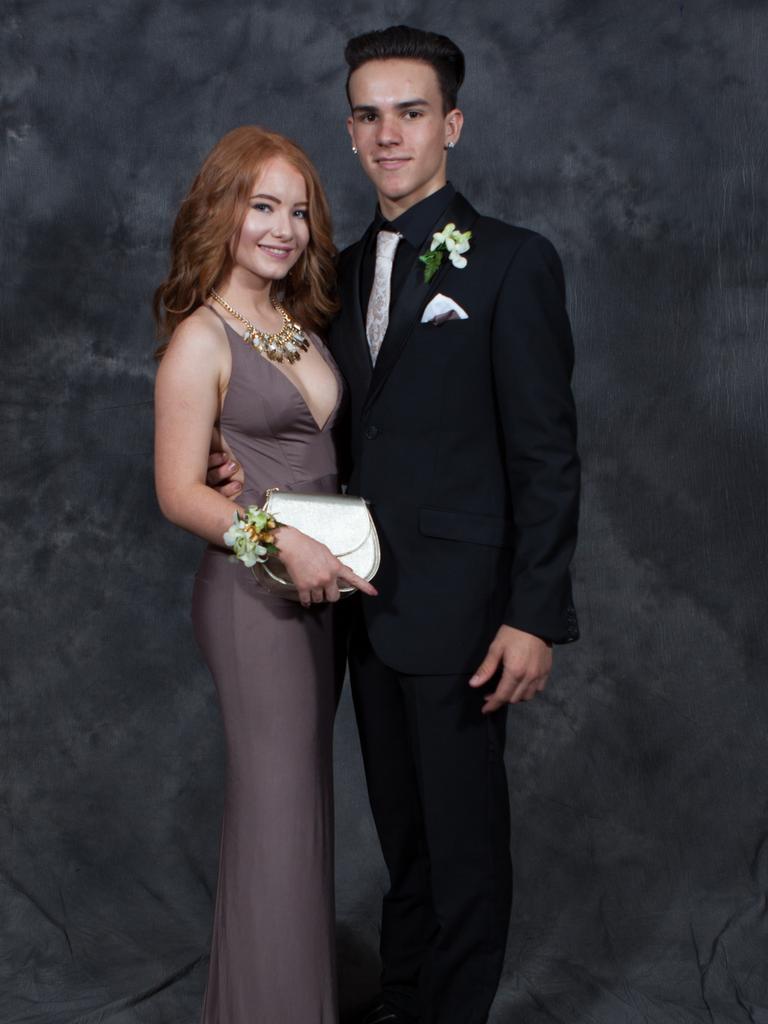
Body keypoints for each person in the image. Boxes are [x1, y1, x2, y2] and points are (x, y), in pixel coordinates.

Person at [209, 25, 580, 1024]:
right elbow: (306, 417)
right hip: (354, 605)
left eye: (410, 111)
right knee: (402, 841)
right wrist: (236, 461)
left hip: (465, 612)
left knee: (462, 847)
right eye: (369, 113)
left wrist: (535, 615)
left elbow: (546, 455)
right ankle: (404, 1005)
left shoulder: (512, 263)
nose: (388, 133)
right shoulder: (323, 272)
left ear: (450, 124)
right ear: (352, 127)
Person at [153, 125, 376, 1024]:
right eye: (262, 206)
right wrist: (276, 542)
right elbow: (177, 494)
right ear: (224, 210)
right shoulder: (200, 340)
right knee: (279, 823)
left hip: (322, 595)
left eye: (298, 210)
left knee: (297, 820)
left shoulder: (295, 323)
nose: (282, 228)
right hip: (255, 600)